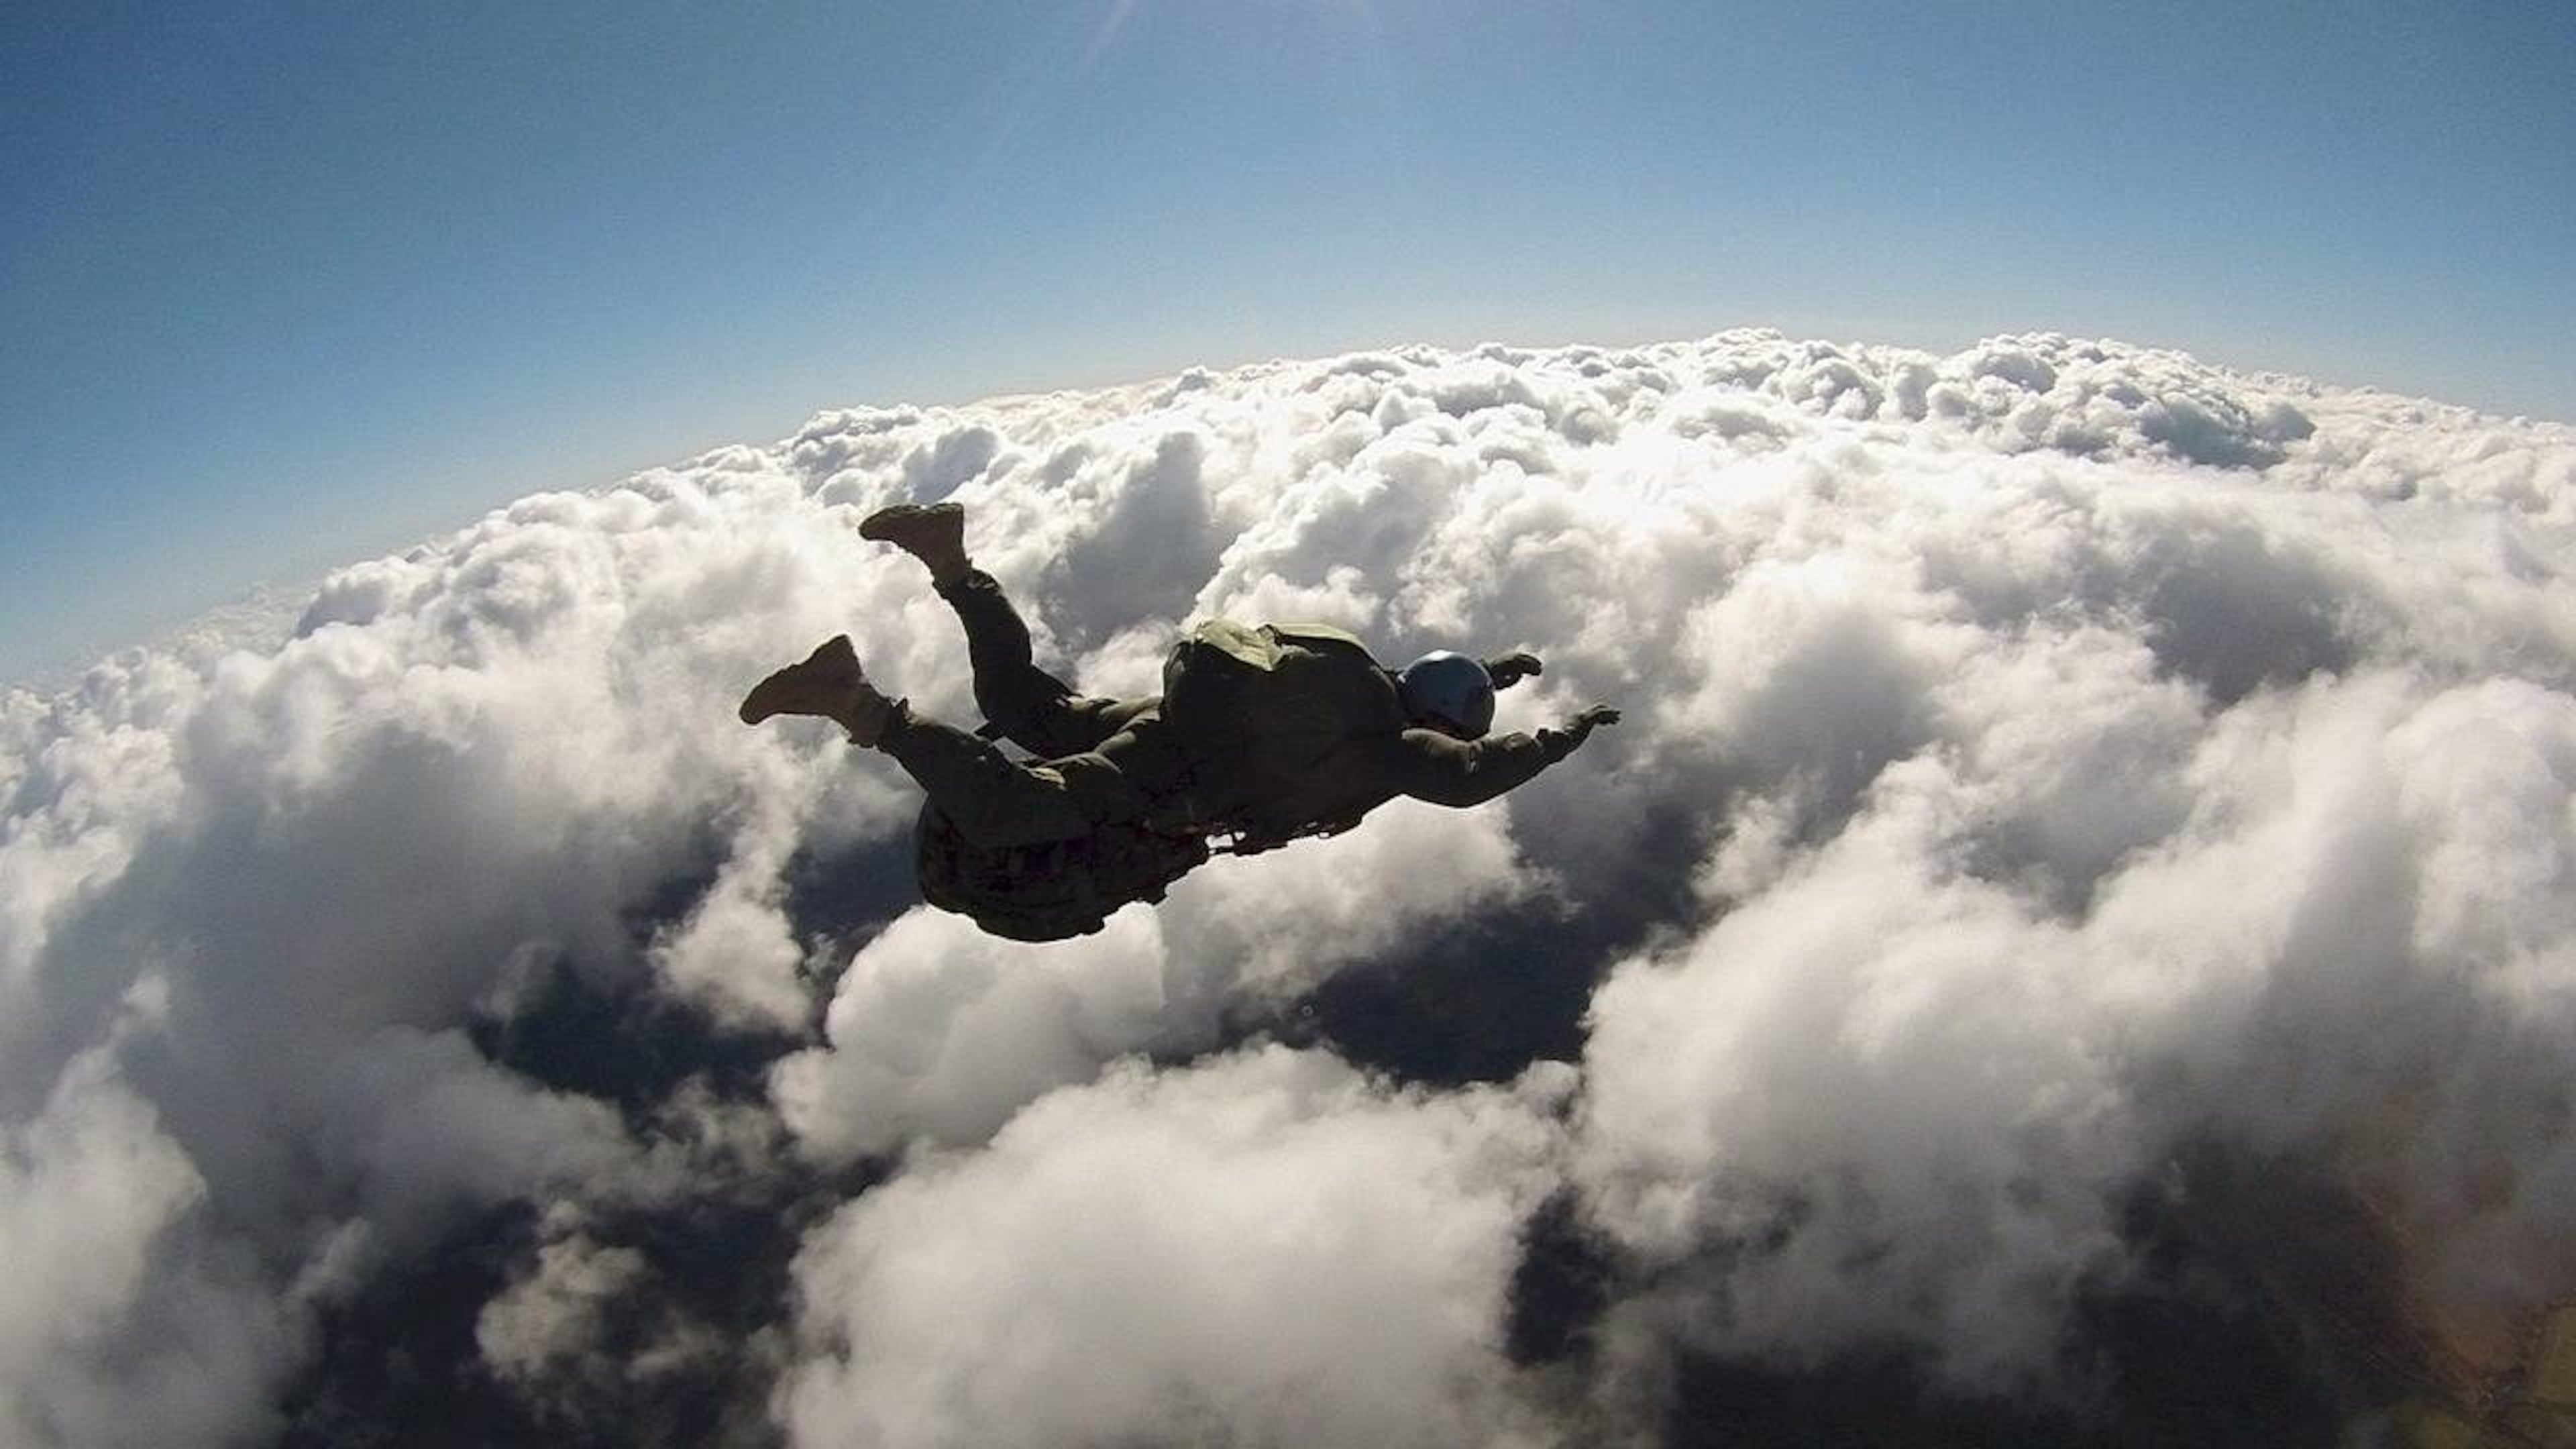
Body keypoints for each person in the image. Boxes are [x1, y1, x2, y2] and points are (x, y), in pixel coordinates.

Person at [739, 502, 1619, 930]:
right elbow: (1471, 778)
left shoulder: (1363, 689)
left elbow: (1433, 680)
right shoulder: (1395, 748)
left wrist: (1499, 667)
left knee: (1020, 703)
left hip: (1167, 721)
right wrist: (1558, 737)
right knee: (1016, 809)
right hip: (1173, 779)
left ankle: (952, 560)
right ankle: (853, 701)